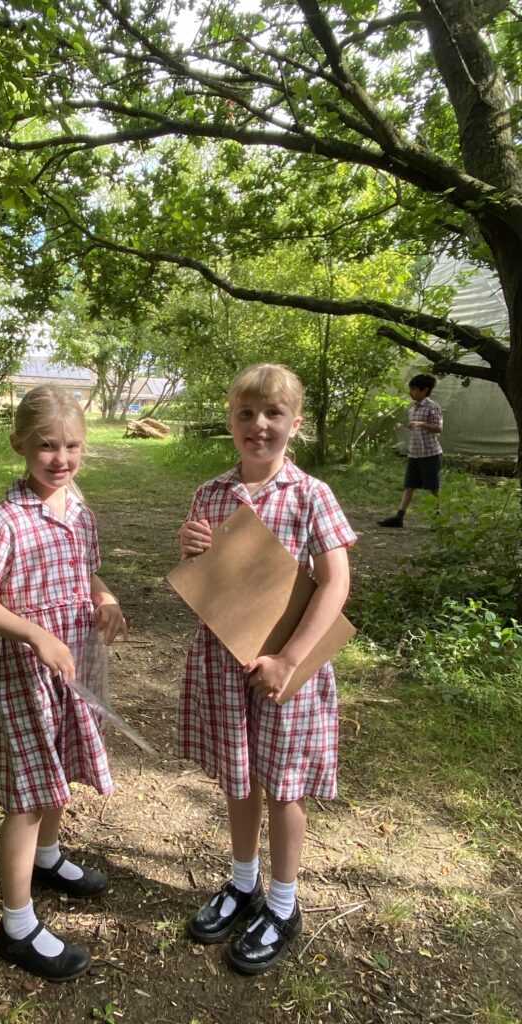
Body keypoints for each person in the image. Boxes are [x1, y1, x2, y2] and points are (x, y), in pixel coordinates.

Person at [177, 363, 356, 975]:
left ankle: (283, 904)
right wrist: (193, 553)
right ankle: (242, 882)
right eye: (246, 414)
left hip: (287, 669)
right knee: (239, 775)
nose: (258, 425)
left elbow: (336, 584)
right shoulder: (209, 493)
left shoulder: (312, 495)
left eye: (272, 414)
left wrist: (289, 659)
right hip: (226, 664)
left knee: (283, 784)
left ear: (294, 425)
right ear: (230, 420)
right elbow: (210, 577)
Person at [0, 385, 127, 982]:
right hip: (32, 671)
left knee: (61, 764)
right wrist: (33, 634)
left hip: (75, 658)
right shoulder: (5, 521)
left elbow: (87, 570)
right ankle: (17, 924)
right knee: (30, 789)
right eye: (48, 446)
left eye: (73, 446)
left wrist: (104, 597)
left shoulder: (79, 508)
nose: (61, 458)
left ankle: (49, 859)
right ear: (19, 444)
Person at [378, 373, 442, 528]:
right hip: (414, 453)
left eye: (414, 389)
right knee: (409, 485)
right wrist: (402, 426)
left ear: (424, 390)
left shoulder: (433, 407)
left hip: (430, 453)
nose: (411, 392)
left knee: (433, 488)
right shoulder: (412, 408)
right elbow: (414, 427)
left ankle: (438, 520)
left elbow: (438, 428)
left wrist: (421, 424)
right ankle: (399, 517)